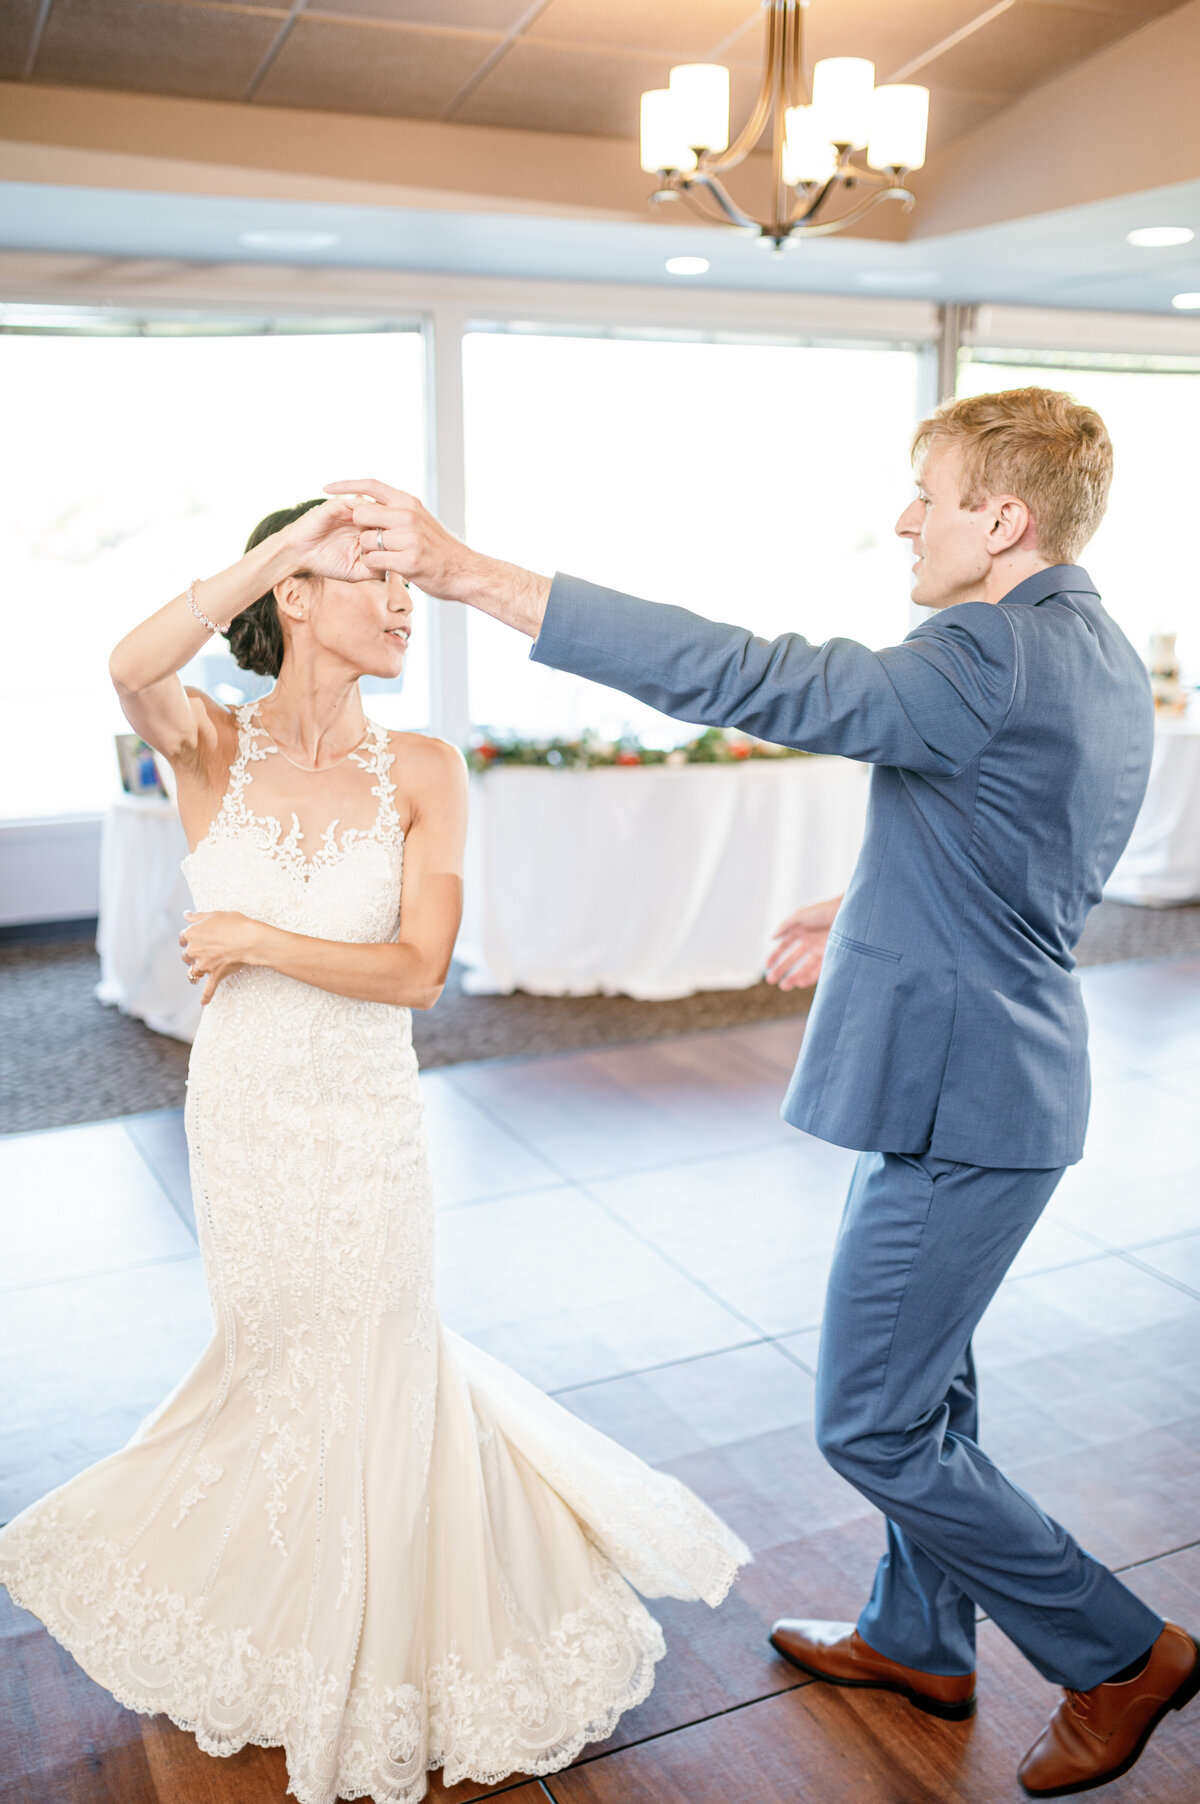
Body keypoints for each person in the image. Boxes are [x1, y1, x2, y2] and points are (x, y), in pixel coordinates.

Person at [328, 386, 1199, 1798]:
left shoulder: (978, 646)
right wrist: (867, 899)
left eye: (929, 492)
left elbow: (759, 676)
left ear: (1004, 518)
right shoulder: (1083, 644)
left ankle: (1116, 1651)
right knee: (931, 1391)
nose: (905, 517)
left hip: (959, 1097)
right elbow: (1022, 837)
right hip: (995, 1078)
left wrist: (472, 574)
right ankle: (920, 1636)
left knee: (872, 1421)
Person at [0, 496, 749, 1804]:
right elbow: (127, 664)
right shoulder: (207, 746)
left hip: (362, 1122)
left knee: (380, 1354)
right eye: (373, 579)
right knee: (277, 1360)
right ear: (293, 594)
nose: (406, 604)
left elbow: (415, 973)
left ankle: (378, 1651)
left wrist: (256, 939)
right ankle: (285, 1606)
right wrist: (282, 541)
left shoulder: (425, 770)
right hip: (244, 1114)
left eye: (411, 587)